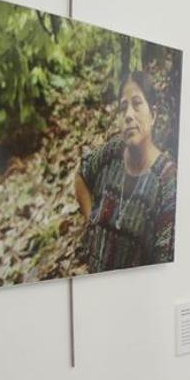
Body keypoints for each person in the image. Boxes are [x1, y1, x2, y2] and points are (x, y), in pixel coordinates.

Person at [74, 71, 177, 272]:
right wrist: (90, 221)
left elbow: (163, 261)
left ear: (153, 115)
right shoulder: (112, 152)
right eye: (123, 107)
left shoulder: (166, 180)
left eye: (137, 103)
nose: (129, 115)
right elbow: (81, 174)